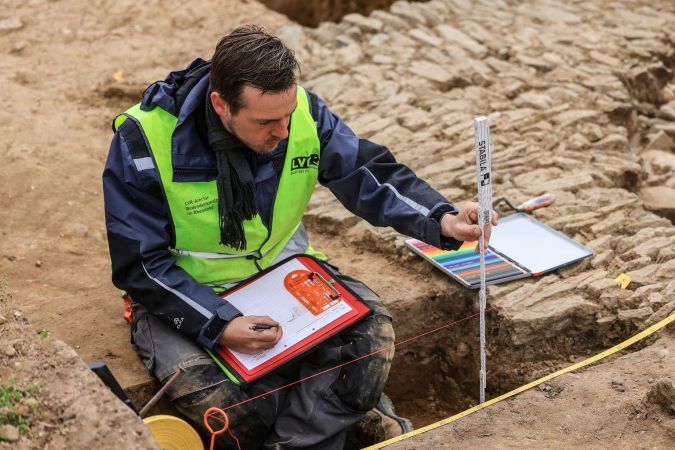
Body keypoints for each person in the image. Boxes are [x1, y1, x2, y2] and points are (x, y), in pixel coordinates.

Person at [102, 25, 496, 449]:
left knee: (369, 339)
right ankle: (358, 422)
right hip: (188, 294)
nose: (285, 132)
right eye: (267, 122)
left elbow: (366, 172)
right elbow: (141, 265)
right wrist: (219, 324)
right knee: (221, 403)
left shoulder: (300, 113)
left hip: (284, 272)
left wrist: (441, 218)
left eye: (288, 115)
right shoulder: (142, 143)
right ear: (221, 105)